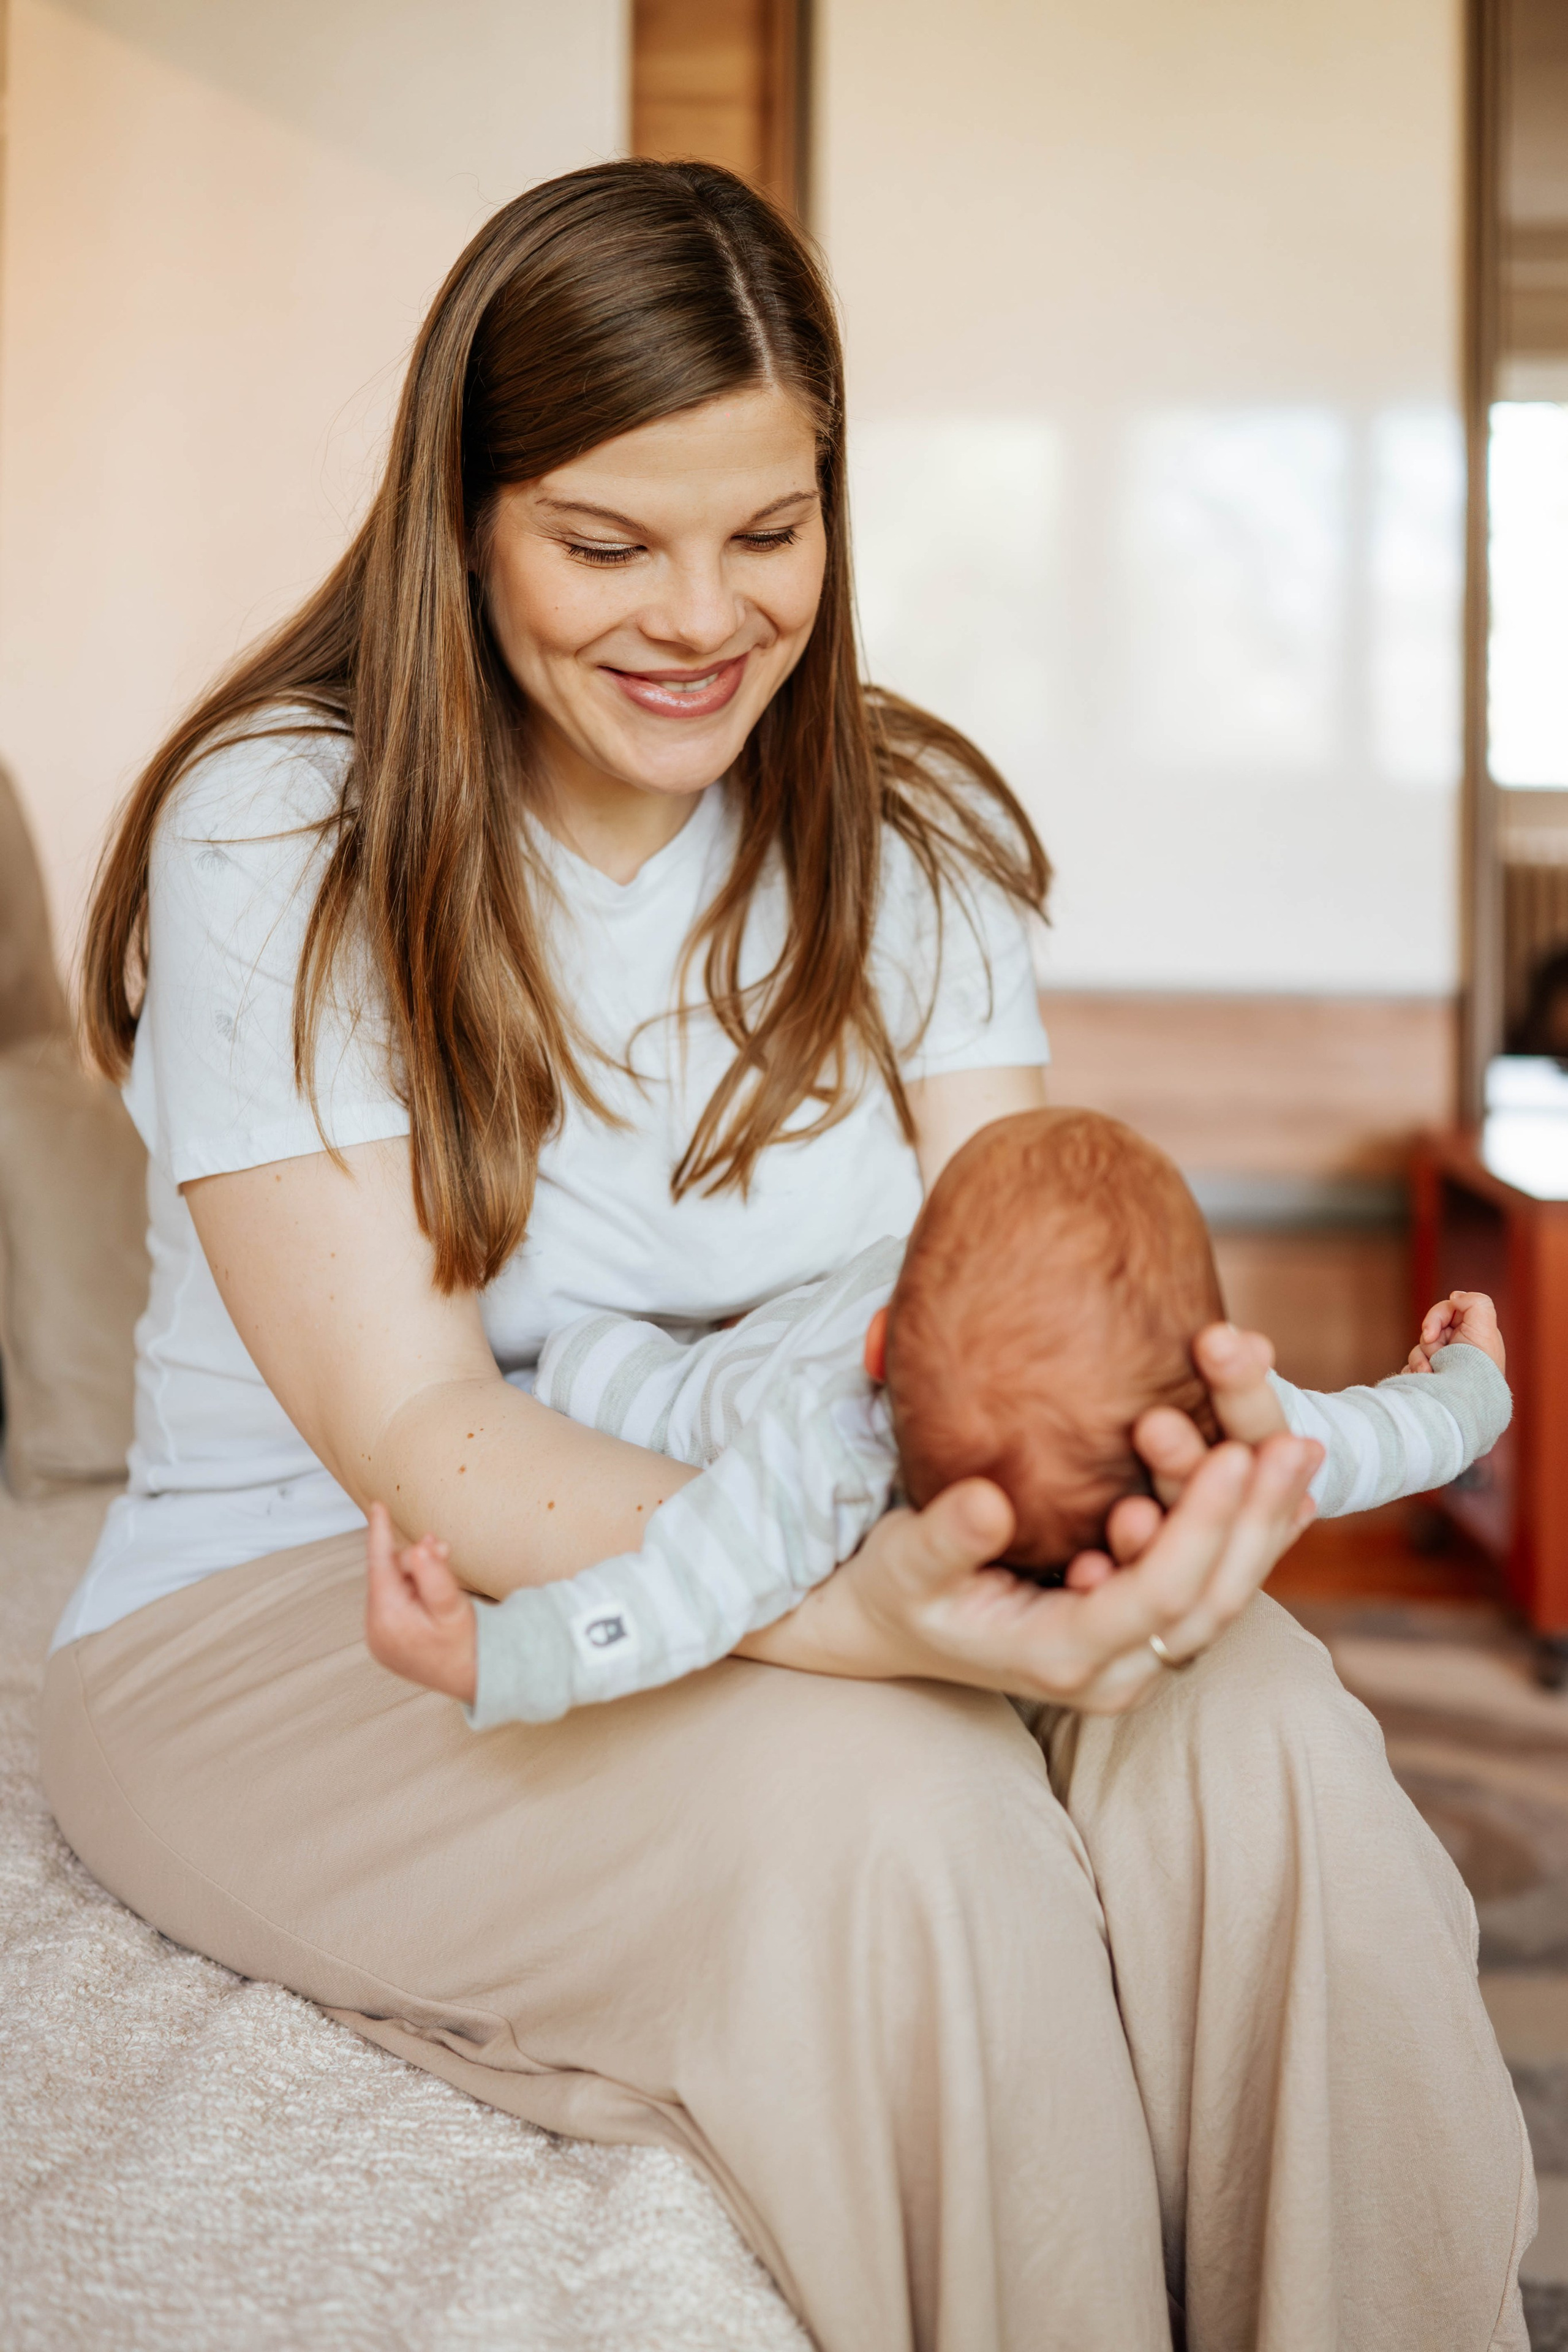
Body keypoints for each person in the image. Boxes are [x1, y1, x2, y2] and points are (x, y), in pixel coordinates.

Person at [40, 161, 1531, 2351]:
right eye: (607, 542)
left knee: (1265, 1737)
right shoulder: (290, 826)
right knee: (898, 1821)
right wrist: (877, 1621)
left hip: (820, 1516)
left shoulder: (908, 836)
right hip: (340, 1597)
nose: (703, 618)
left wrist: (1135, 1522)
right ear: (461, 518)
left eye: (771, 530)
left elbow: (1036, 1285)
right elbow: (424, 1422)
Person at [364, 1108, 1513, 1735]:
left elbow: (674, 1597)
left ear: (876, 1350)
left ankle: (583, 1368)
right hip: (763, 1360)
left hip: (708, 1390)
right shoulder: (1223, 1434)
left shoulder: (817, 1442)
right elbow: (1381, 1441)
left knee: (593, 1359)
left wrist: (501, 1654)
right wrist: (1468, 1387)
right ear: (1211, 1350)